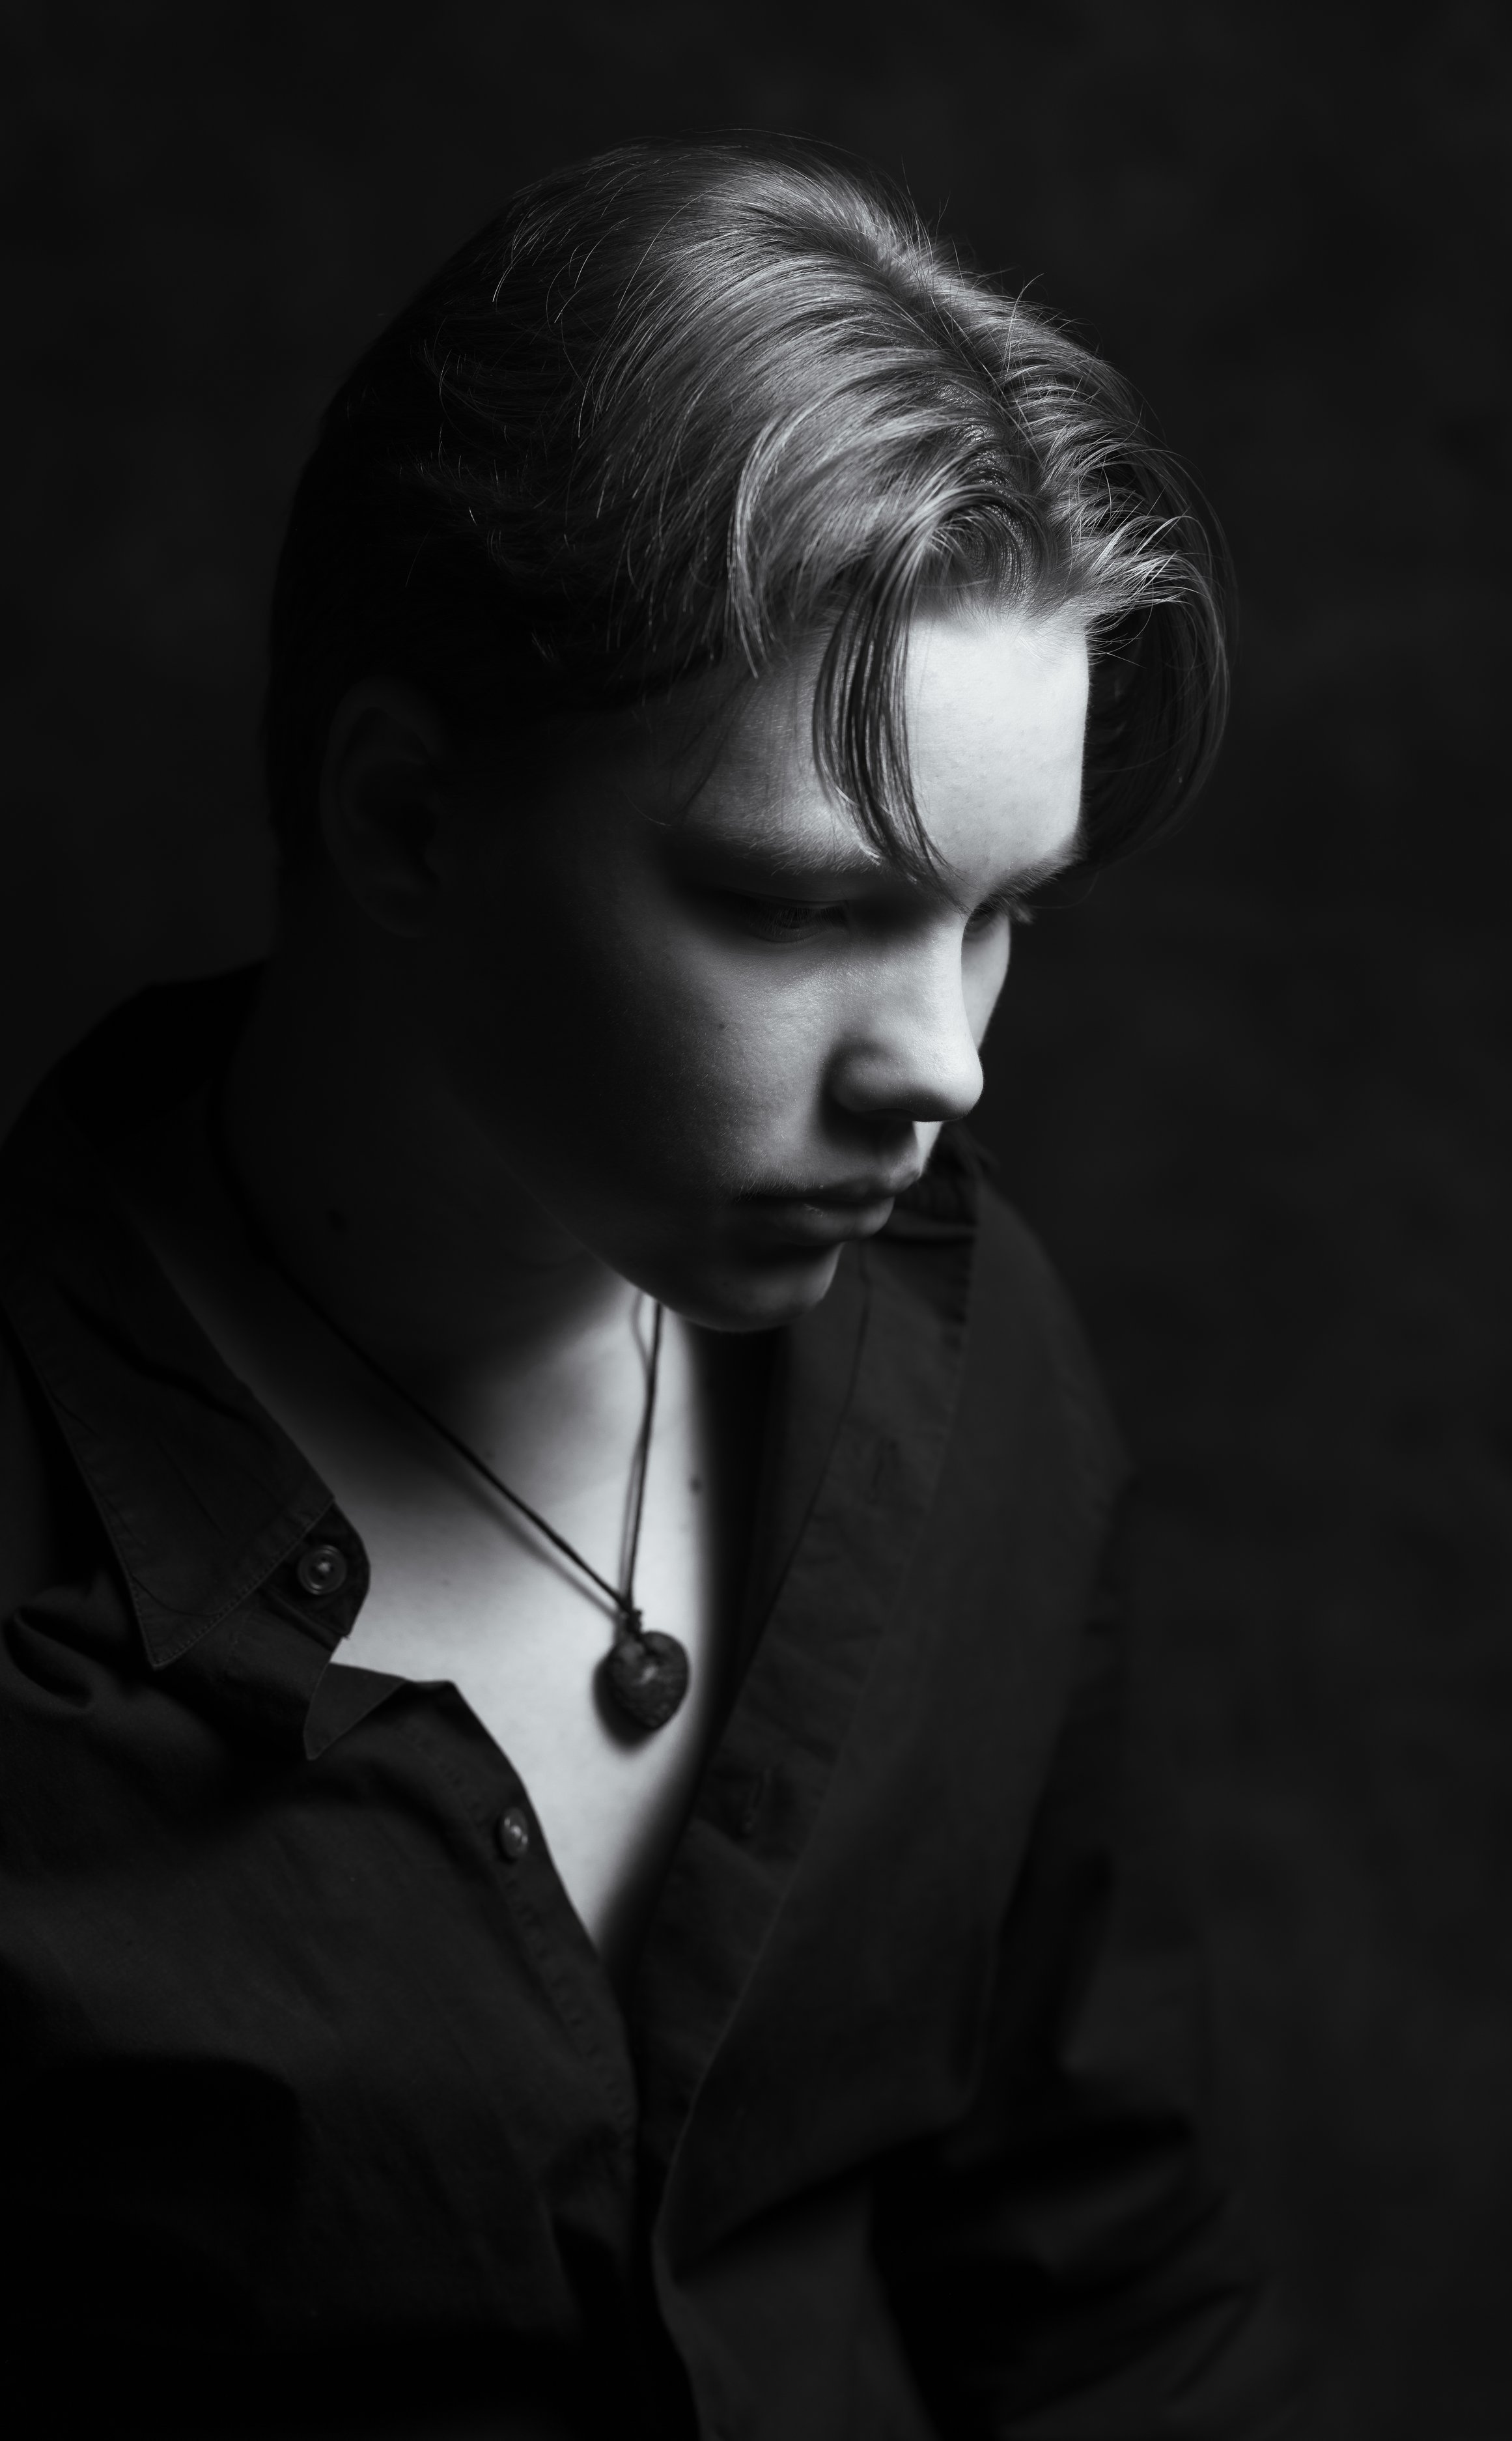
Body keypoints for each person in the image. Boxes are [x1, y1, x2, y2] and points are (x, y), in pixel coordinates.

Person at [0, 138, 1303, 2438]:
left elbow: (1104, 2285)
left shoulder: (974, 1354)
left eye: (999, 916)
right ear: (405, 818)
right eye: (802, 907)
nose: (942, 1063)